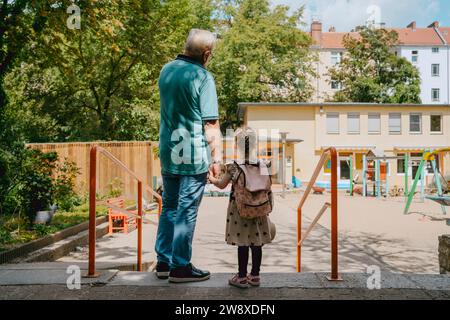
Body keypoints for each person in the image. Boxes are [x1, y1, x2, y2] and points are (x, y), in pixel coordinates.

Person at [155, 29, 223, 283]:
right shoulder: (203, 77)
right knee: (187, 209)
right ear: (206, 54)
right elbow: (211, 125)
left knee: (169, 207)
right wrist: (216, 159)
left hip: (169, 150)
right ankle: (180, 267)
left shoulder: (166, 70)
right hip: (192, 153)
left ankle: (164, 262)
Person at [208, 127, 275, 289]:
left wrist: (211, 178)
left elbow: (222, 185)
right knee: (257, 242)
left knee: (243, 242)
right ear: (254, 145)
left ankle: (242, 276)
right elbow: (268, 188)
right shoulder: (263, 165)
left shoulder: (233, 167)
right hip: (259, 210)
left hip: (240, 210)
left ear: (237, 145)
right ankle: (255, 275)